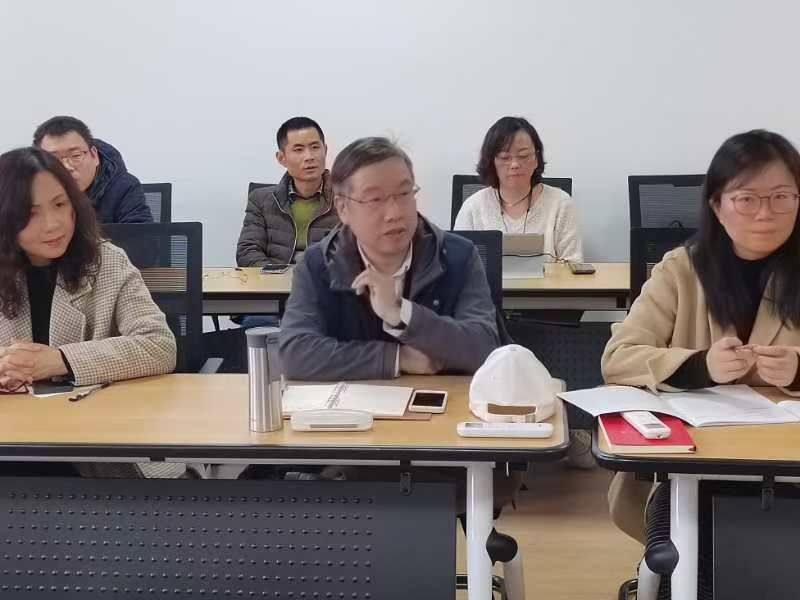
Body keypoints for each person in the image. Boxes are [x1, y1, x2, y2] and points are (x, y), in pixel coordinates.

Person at [602, 129, 800, 543]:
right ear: (717, 205)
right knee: (692, 548)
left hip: (790, 467)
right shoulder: (680, 269)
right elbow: (618, 358)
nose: (766, 213)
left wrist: (797, 369)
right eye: (747, 199)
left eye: (782, 197)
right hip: (691, 468)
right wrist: (700, 365)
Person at [279, 136, 500, 380]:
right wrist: (396, 358)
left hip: (446, 400)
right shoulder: (318, 264)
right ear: (343, 209)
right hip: (355, 403)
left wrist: (401, 313)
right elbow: (295, 353)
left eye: (404, 193)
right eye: (375, 199)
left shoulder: (458, 256)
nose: (395, 213)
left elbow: (484, 348)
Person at [0, 147, 176, 392]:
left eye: (60, 204)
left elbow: (159, 345)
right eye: (30, 213)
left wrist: (61, 359)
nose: (52, 224)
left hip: (90, 411)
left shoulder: (106, 261)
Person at [454, 116, 583, 263]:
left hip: (547, 280)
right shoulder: (473, 207)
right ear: (491, 162)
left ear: (536, 158)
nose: (515, 164)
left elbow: (572, 265)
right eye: (505, 157)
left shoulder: (561, 204)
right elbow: (459, 265)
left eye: (523, 155)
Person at [236, 117, 340, 267]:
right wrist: (277, 275)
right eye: (298, 150)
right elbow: (247, 251)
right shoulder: (260, 200)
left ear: (325, 150)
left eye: (315, 147)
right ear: (281, 158)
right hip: (275, 279)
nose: (309, 157)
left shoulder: (348, 198)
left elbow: (359, 253)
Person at [33, 116, 153, 224]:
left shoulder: (123, 187)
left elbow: (141, 237)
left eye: (75, 155)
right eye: (54, 159)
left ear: (94, 155)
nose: (66, 167)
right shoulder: (31, 190)